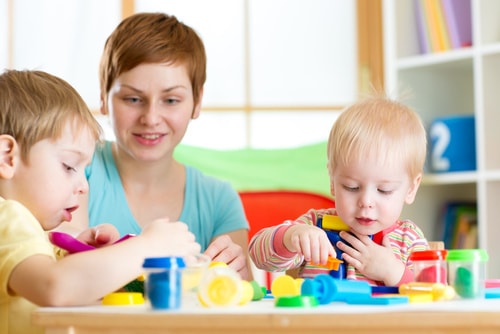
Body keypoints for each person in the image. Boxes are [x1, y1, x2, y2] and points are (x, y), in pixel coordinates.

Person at [0, 69, 201, 334]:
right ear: (7, 158)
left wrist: (80, 258)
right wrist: (149, 246)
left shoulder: (28, 230)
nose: (84, 186)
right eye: (69, 166)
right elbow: (56, 288)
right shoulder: (9, 217)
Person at [65, 12, 252, 280]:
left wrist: (237, 273)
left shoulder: (219, 200)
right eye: (132, 99)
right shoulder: (76, 169)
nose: (151, 118)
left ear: (197, 102)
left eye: (171, 100)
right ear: (103, 98)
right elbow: (64, 271)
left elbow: (239, 301)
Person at [249, 95, 429, 286]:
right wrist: (290, 236)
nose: (366, 201)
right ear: (333, 181)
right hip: (320, 317)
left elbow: (434, 294)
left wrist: (394, 272)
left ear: (411, 188)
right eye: (351, 187)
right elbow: (258, 256)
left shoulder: (408, 239)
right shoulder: (316, 225)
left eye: (384, 190)